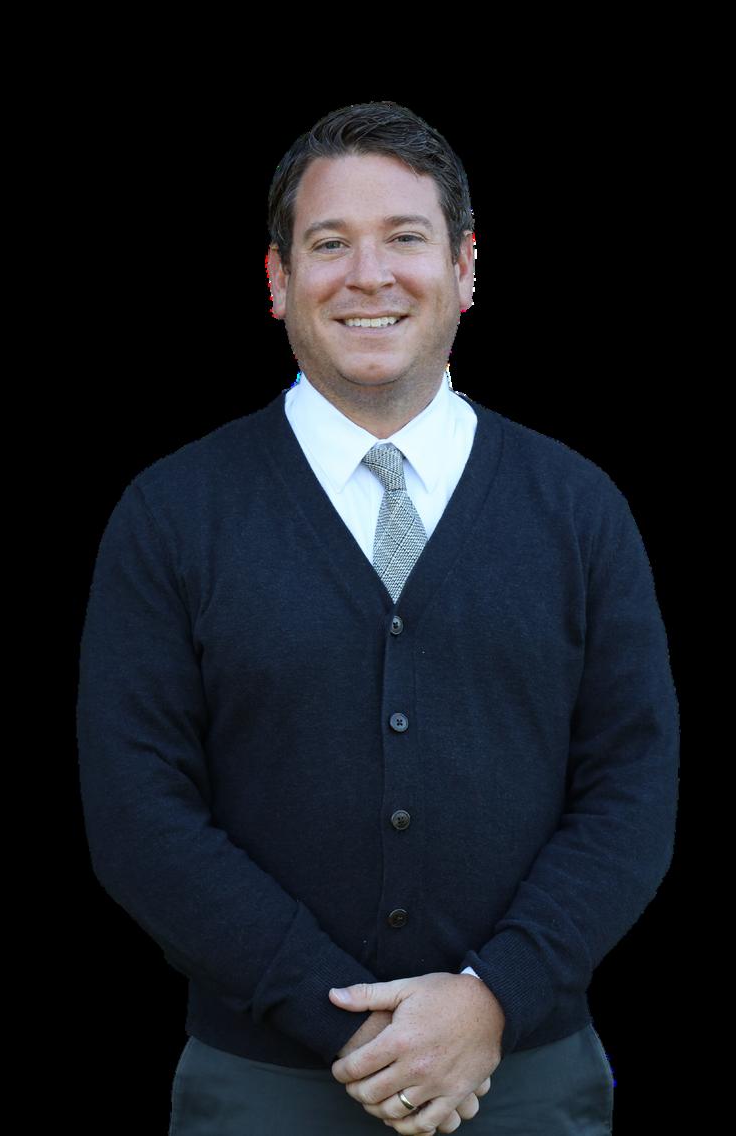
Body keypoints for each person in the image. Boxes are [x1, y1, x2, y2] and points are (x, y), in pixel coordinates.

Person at [76, 100, 679, 1135]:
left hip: (525, 1080)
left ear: (465, 268)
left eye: (404, 237)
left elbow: (632, 786)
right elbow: (138, 815)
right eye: (328, 244)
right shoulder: (171, 514)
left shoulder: (578, 509)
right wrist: (352, 1027)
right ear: (277, 279)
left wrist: (491, 999)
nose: (368, 275)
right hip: (259, 1090)